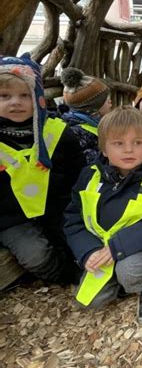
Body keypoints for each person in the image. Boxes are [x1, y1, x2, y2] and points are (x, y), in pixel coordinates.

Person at [64, 107, 142, 324]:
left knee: (130, 272)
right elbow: (73, 219)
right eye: (118, 143)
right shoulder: (89, 176)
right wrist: (87, 252)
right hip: (100, 246)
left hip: (138, 247)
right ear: (104, 149)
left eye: (137, 142)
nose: (129, 150)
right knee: (90, 302)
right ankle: (119, 278)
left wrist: (118, 247)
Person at [0, 54, 86, 285]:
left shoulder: (58, 132)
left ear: (38, 98)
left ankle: (88, 268)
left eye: (24, 95)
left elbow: (78, 171)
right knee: (35, 255)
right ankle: (63, 276)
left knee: (79, 237)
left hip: (58, 206)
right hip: (11, 218)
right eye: (4, 96)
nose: (15, 102)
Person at [60, 67, 112, 164]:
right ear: (92, 108)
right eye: (105, 100)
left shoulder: (95, 125)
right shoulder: (77, 134)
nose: (110, 102)